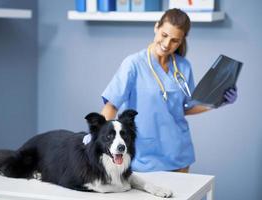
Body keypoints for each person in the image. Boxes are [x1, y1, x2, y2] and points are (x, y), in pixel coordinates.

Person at [99, 8, 238, 173]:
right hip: (141, 157)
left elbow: (186, 108)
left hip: (178, 154)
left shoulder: (183, 66)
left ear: (181, 41)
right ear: (156, 27)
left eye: (174, 40)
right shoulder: (133, 64)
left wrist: (218, 101)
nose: (166, 45)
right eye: (164, 35)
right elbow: (111, 105)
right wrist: (97, 137)